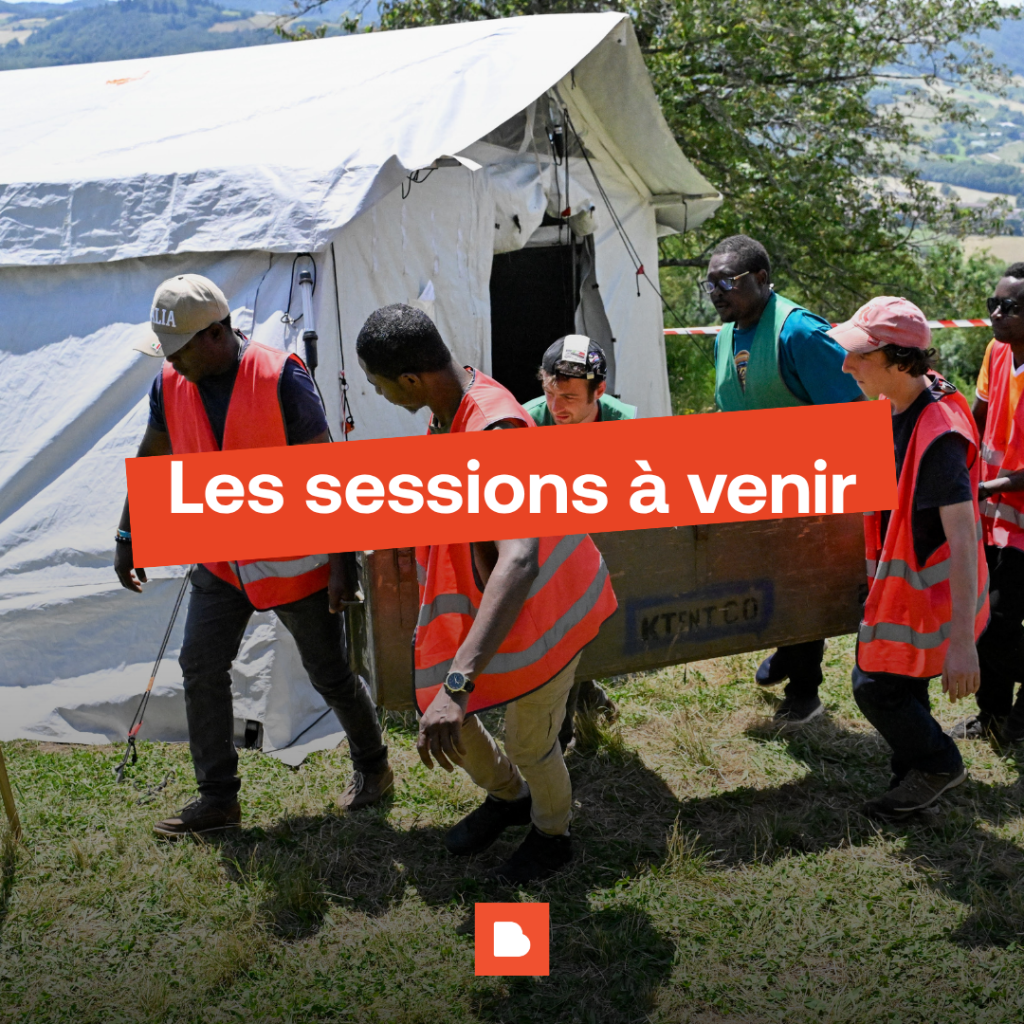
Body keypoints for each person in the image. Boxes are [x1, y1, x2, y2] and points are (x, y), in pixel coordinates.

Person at [115, 274, 392, 837]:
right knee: (200, 666)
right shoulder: (170, 382)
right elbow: (152, 459)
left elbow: (325, 472)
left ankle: (375, 768)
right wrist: (128, 535)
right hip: (220, 560)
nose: (173, 363)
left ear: (216, 333)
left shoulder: (281, 375)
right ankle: (218, 799)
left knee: (330, 673)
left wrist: (342, 565)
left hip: (296, 564)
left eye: (181, 349)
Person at [355, 305, 618, 884]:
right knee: (436, 704)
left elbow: (519, 558)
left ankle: (553, 835)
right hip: (498, 609)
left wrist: (460, 682)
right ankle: (509, 798)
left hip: (547, 611)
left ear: (410, 380)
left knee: (529, 741)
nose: (380, 396)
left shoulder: (492, 429)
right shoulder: (449, 409)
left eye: (378, 385)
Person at [833, 296, 988, 819]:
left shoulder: (938, 435)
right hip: (906, 589)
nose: (846, 364)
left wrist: (963, 643)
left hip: (931, 598)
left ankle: (938, 764)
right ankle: (915, 771)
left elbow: (963, 539)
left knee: (874, 685)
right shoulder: (902, 399)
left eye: (859, 355)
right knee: (902, 682)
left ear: (900, 360)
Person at [707, 234, 865, 724]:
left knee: (802, 582)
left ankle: (804, 689)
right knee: (769, 575)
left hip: (811, 485)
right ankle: (788, 647)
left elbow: (852, 413)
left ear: (760, 279)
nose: (716, 292)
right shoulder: (723, 336)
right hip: (753, 486)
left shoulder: (799, 333)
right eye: (709, 283)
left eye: (726, 282)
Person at [524, 335, 633, 750]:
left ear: (599, 391)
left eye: (569, 396)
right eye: (550, 393)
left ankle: (583, 691)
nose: (557, 407)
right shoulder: (527, 423)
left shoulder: (624, 424)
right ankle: (566, 723)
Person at [951, 263, 1024, 744]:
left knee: (997, 624)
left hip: (1013, 517)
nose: (996, 313)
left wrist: (987, 487)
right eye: (991, 304)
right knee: (984, 618)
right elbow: (976, 418)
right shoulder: (997, 351)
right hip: (993, 516)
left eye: (1010, 307)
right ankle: (994, 715)